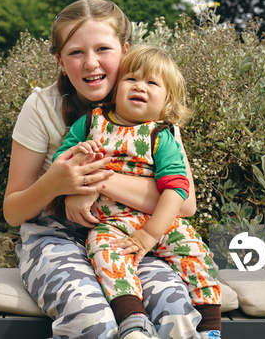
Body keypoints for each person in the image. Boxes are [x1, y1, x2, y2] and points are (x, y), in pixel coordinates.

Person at [3, 0, 203, 339]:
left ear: (125, 51)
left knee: (174, 313)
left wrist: (98, 182)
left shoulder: (152, 109)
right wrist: (54, 184)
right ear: (60, 62)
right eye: (76, 52)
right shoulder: (42, 107)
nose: (91, 63)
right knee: (92, 321)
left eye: (103, 49)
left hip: (130, 233)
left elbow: (184, 204)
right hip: (56, 238)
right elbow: (12, 210)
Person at [53, 45, 221, 339]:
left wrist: (150, 233)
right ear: (116, 88)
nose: (140, 86)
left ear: (167, 102)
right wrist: (79, 159)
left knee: (196, 254)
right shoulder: (91, 123)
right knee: (104, 253)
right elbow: (60, 164)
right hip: (111, 223)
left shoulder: (161, 135)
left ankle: (209, 327)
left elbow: (176, 190)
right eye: (131, 79)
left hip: (160, 221)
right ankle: (133, 318)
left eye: (152, 83)